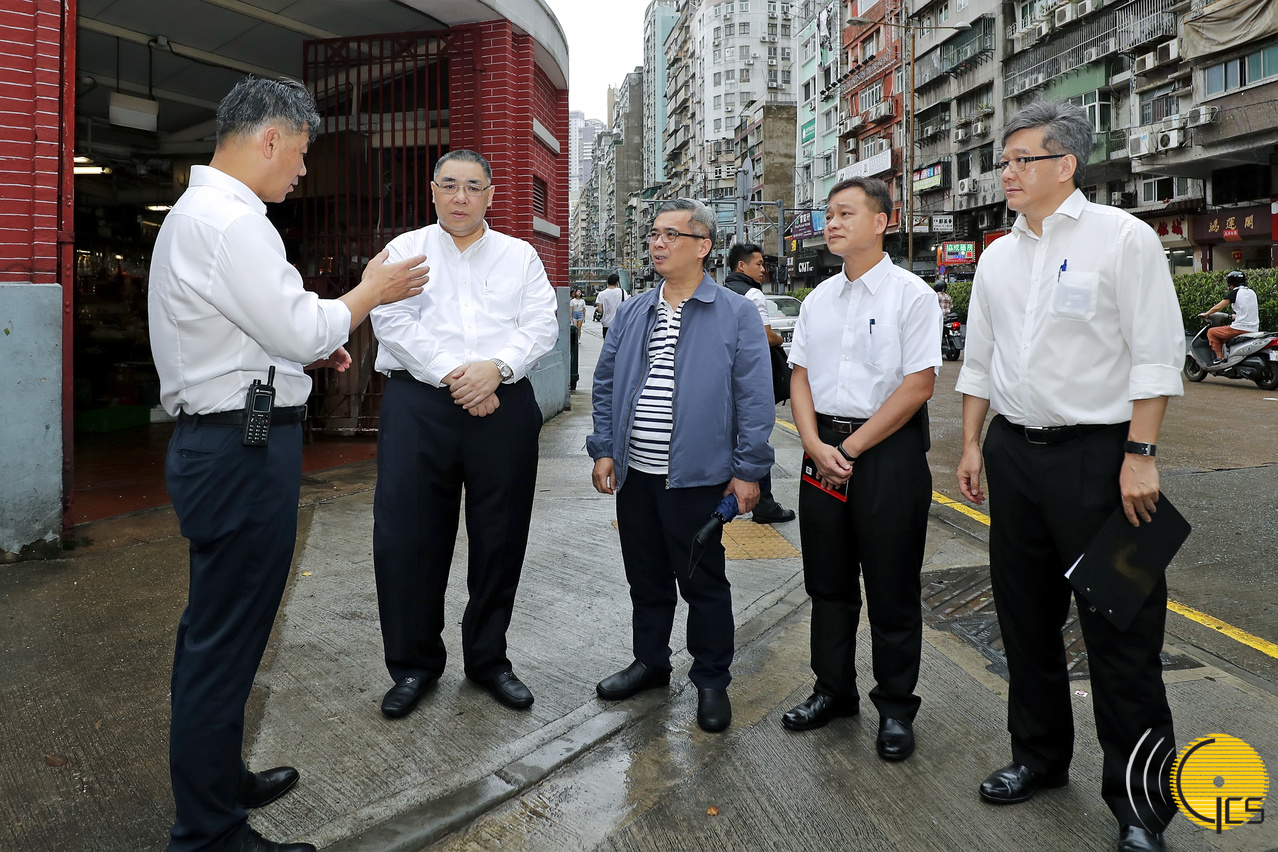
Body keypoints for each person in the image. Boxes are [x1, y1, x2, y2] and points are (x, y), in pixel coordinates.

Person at [149, 77, 429, 852]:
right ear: (270, 138)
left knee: (222, 630)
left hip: (230, 440)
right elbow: (298, 324)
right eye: (302, 153)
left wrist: (301, 352)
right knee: (223, 638)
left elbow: (260, 332)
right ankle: (209, 833)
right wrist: (368, 293)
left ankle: (216, 780)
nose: (303, 170)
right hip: (238, 450)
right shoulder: (231, 222)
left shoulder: (206, 215)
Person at [954, 100, 1184, 852]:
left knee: (1123, 633)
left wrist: (1141, 453)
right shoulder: (996, 255)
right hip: (1014, 457)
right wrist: (971, 444)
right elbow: (979, 361)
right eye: (1004, 161)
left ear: (1066, 165)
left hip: (1104, 458)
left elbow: (1156, 354)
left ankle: (1141, 807)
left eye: (1022, 159)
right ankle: (1039, 757)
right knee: (1025, 622)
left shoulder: (1123, 238)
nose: (1007, 173)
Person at [369, 149, 558, 718]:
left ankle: (488, 659)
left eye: (473, 186)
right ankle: (413, 665)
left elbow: (541, 323)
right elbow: (390, 320)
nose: (460, 197)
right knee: (407, 539)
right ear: (432, 190)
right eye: (449, 185)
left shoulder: (519, 255)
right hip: (420, 405)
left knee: (500, 535)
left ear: (490, 195)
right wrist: (460, 376)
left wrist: (495, 369)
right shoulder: (405, 251)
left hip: (504, 400)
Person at [588, 199, 775, 733]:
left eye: (671, 234)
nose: (658, 243)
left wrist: (748, 471)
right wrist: (604, 448)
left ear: (703, 246)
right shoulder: (634, 311)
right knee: (645, 578)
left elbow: (755, 398)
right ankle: (650, 663)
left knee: (703, 584)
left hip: (697, 479)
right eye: (654, 234)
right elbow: (606, 382)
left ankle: (711, 680)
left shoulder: (735, 312)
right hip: (636, 476)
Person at [780, 177, 939, 765]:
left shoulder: (911, 295)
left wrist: (849, 449)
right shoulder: (818, 299)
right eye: (829, 213)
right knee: (827, 581)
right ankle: (833, 690)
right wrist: (814, 443)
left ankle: (895, 707)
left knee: (892, 585)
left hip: (887, 451)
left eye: (846, 213)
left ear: (882, 221)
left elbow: (918, 385)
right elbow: (799, 376)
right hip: (822, 448)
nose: (832, 223)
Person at [724, 241, 796, 525]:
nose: (763, 269)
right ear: (742, 266)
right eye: (759, 264)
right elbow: (765, 336)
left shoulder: (721, 291)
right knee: (754, 439)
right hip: (748, 378)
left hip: (722, 377)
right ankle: (764, 504)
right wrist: (780, 338)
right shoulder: (753, 294)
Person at [1200, 270, 1258, 362]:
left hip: (1239, 328)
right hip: (1254, 328)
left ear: (1231, 282)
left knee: (1211, 332)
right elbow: (1247, 309)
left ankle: (1220, 358)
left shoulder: (1235, 292)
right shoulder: (1251, 292)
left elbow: (1218, 307)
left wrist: (1207, 314)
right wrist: (1236, 316)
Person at [595, 273, 626, 338]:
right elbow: (626, 306)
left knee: (607, 342)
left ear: (607, 282)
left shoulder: (601, 294)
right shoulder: (622, 292)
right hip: (619, 323)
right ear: (617, 283)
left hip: (606, 323)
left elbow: (600, 310)